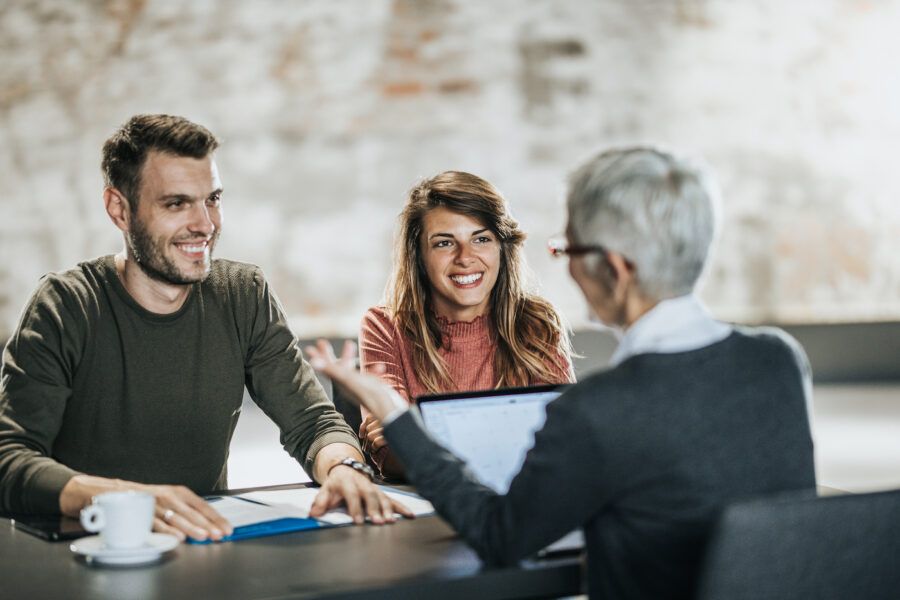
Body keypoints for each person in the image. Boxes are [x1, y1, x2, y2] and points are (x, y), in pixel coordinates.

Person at [308, 147, 817, 599]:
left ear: (613, 270)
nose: (566, 266)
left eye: (568, 250)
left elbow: (499, 535)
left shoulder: (598, 410)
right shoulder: (778, 360)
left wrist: (394, 411)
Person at [0, 114, 411, 542]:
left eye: (212, 199)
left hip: (202, 547)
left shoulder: (242, 293)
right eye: (176, 204)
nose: (205, 224)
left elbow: (312, 422)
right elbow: (9, 460)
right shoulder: (65, 305)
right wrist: (127, 500)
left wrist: (345, 467)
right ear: (119, 209)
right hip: (82, 554)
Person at [357, 171, 574, 478]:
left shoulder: (536, 322)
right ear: (419, 255)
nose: (465, 258)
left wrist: (415, 437)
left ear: (502, 247)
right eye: (445, 243)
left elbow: (563, 445)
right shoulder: (383, 325)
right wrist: (508, 439)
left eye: (481, 239)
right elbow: (393, 456)